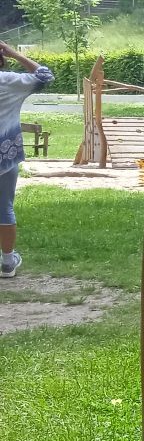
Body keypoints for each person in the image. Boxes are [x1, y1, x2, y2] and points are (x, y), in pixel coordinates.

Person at [0, 42, 55, 280]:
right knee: (4, 208)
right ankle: (7, 261)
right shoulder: (10, 81)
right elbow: (45, 75)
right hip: (5, 156)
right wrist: (14, 53)